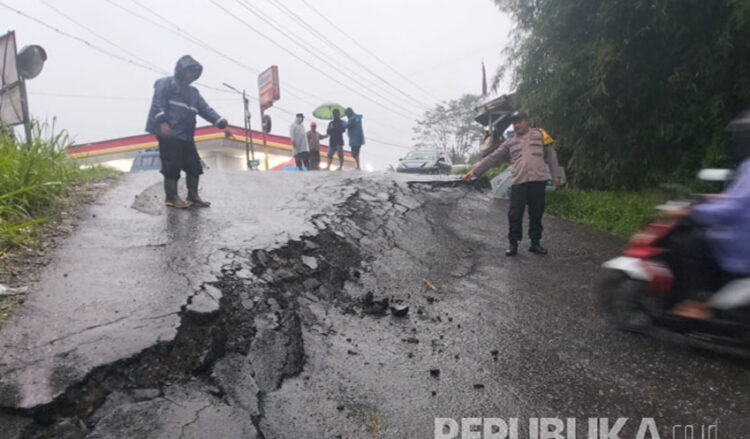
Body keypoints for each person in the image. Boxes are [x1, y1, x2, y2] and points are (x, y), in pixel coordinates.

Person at [671, 107, 750, 319]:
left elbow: (733, 208)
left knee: (686, 242)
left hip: (741, 243)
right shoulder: (746, 167)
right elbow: (738, 200)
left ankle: (698, 303)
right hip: (741, 231)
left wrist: (692, 211)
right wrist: (716, 197)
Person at [463, 111, 561, 256]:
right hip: (519, 182)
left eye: (519, 121)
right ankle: (513, 244)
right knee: (515, 214)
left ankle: (535, 243)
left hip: (538, 180)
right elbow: (493, 158)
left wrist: (555, 176)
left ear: (527, 121)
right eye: (514, 123)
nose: (517, 125)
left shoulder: (540, 135)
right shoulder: (510, 142)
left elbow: (551, 156)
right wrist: (475, 171)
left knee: (537, 213)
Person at [145, 55, 230, 208]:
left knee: (194, 165)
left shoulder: (193, 93)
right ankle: (171, 197)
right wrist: (162, 122)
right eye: (191, 72)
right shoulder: (166, 83)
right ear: (182, 70)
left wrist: (221, 123)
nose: (193, 76)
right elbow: (158, 103)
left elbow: (205, 109)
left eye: (196, 73)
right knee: (172, 165)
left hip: (186, 135)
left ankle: (193, 196)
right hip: (170, 133)